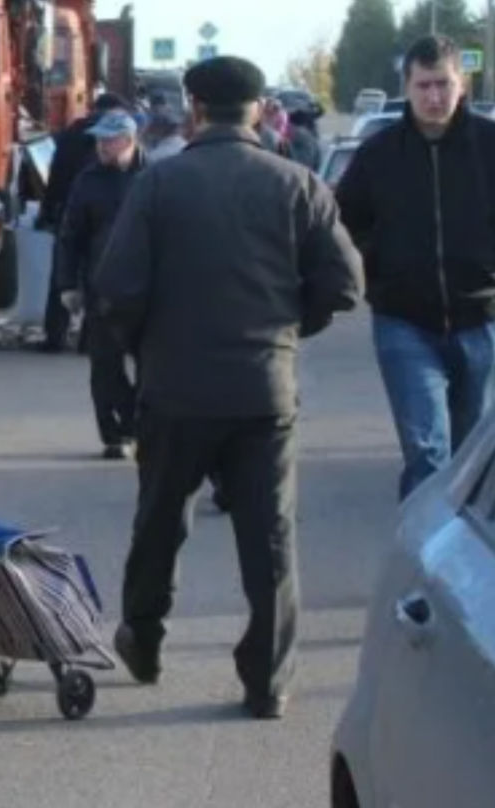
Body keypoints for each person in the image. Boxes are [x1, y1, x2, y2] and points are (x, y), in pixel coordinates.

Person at [94, 56, 362, 720]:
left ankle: (145, 637)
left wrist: (141, 354)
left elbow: (117, 291)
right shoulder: (298, 184)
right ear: (260, 108)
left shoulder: (159, 186)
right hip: (262, 392)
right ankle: (267, 679)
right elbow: (345, 285)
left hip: (174, 390)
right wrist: (290, 325)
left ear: (192, 108)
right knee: (269, 537)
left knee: (159, 522)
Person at [335, 35, 495, 500]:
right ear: (406, 86)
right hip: (404, 323)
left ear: (461, 85)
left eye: (443, 84)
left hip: (481, 320)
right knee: (427, 449)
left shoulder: (488, 148)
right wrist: (377, 267)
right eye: (424, 85)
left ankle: (460, 562)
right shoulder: (379, 155)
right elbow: (344, 225)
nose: (434, 96)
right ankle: (423, 559)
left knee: (471, 457)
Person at [56, 110, 144, 460]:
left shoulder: (154, 176)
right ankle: (115, 434)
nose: (101, 146)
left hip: (146, 291)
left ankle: (139, 423)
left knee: (152, 368)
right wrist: (67, 285)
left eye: (107, 140)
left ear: (127, 140)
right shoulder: (88, 180)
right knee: (104, 367)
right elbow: (70, 236)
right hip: (102, 288)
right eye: (98, 140)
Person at [39, 93, 128, 351]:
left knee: (63, 276)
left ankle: (54, 336)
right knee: (96, 278)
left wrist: (47, 212)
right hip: (104, 217)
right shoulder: (119, 136)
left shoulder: (70, 134)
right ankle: (89, 340)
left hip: (69, 213)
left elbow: (55, 177)